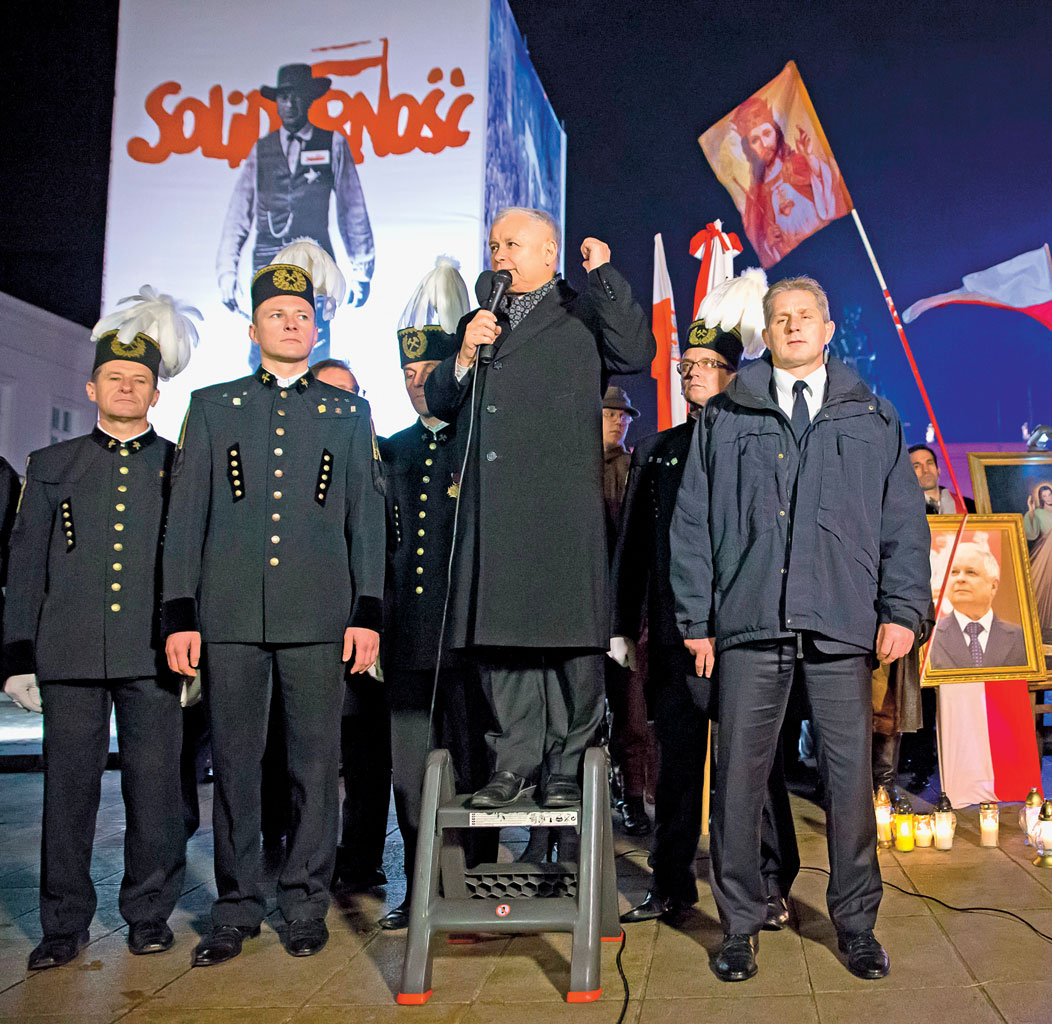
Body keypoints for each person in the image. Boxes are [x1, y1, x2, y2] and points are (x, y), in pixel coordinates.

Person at [671, 275, 929, 982]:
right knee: (737, 783)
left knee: (848, 786)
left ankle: (857, 926)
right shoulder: (727, 415)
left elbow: (903, 523)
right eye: (780, 317)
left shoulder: (872, 417)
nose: (792, 326)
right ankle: (739, 927)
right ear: (766, 331)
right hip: (749, 622)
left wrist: (903, 610)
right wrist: (696, 619)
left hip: (841, 624)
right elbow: (693, 521)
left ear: (827, 329)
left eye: (805, 315)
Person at [162, 246, 386, 966]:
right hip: (229, 617)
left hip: (320, 619)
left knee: (316, 767)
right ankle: (236, 907)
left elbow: (364, 520)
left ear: (317, 329)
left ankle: (305, 904)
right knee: (234, 766)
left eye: (301, 314)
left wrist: (367, 613)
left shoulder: (348, 413)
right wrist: (180, 614)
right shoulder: (213, 406)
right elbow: (185, 519)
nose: (290, 323)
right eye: (276, 314)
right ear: (253, 328)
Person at [424, 207, 655, 809]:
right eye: (494, 245)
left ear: (550, 253)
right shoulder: (482, 319)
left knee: (572, 644)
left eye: (513, 244)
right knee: (503, 642)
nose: (499, 255)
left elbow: (635, 351)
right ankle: (513, 763)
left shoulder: (583, 309)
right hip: (496, 509)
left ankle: (567, 766)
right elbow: (441, 401)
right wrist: (464, 354)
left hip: (560, 508)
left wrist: (603, 275)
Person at [2, 292, 199, 970]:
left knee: (155, 792)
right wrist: (17, 657)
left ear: (155, 393)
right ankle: (63, 925)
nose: (126, 387)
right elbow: (26, 564)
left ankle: (148, 915)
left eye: (139, 380)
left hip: (152, 654)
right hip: (69, 653)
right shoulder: (51, 464)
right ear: (92, 388)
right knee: (68, 794)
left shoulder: (178, 465)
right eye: (114, 377)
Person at [616, 288, 798, 928]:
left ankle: (770, 881)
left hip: (747, 632)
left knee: (758, 766)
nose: (690, 373)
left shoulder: (759, 442)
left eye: (704, 365)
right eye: (685, 365)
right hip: (675, 633)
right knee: (677, 764)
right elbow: (635, 547)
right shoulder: (658, 450)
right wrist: (621, 625)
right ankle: (671, 883)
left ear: (732, 374)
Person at [377, 257, 496, 928]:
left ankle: (473, 883)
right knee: (410, 775)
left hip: (468, 638)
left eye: (429, 371)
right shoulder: (389, 452)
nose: (418, 382)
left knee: (475, 768)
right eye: (408, 373)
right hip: (407, 642)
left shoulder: (477, 441)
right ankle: (421, 889)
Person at [216, 63, 374, 365]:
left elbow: (352, 208)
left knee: (315, 349)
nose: (290, 104)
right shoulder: (261, 149)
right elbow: (239, 211)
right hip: (267, 264)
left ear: (310, 99)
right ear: (277, 102)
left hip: (316, 267)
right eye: (284, 97)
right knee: (262, 351)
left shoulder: (332, 142)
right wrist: (227, 271)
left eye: (297, 96)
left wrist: (362, 271)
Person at [600, 385, 650, 835]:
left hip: (625, 611)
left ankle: (632, 796)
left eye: (623, 416)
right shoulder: (574, 469)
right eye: (610, 414)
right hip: (582, 610)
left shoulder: (631, 469)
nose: (619, 421)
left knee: (631, 713)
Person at [733, 96, 841, 267]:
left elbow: (830, 187)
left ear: (776, 133)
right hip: (797, 264)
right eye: (755, 140)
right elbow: (760, 247)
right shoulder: (755, 196)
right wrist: (769, 241)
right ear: (749, 148)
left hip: (830, 245)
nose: (764, 144)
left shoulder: (799, 162)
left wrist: (809, 157)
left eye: (767, 133)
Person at [928, 542, 1027, 669]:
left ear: (993, 586)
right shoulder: (929, 636)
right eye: (954, 572)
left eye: (970, 572)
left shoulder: (1022, 638)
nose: (960, 579)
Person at [908, 444, 975, 514]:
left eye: (930, 463)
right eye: (917, 466)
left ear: (938, 470)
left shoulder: (969, 506)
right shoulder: (904, 511)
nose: (926, 470)